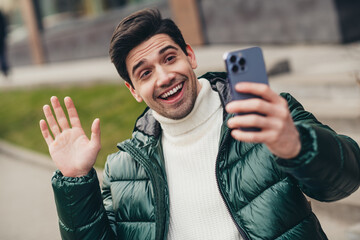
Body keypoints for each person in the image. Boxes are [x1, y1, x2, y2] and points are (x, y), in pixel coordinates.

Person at [39, 8, 360, 240]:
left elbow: (345, 180)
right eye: (145, 72)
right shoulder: (123, 170)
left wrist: (297, 144)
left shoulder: (270, 117)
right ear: (133, 90)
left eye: (169, 58)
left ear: (190, 56)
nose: (164, 77)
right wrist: (76, 180)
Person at [0, 9, 9, 77]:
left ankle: (4, 68)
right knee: (2, 53)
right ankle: (4, 68)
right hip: (1, 37)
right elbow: (4, 24)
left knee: (2, 53)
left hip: (1, 37)